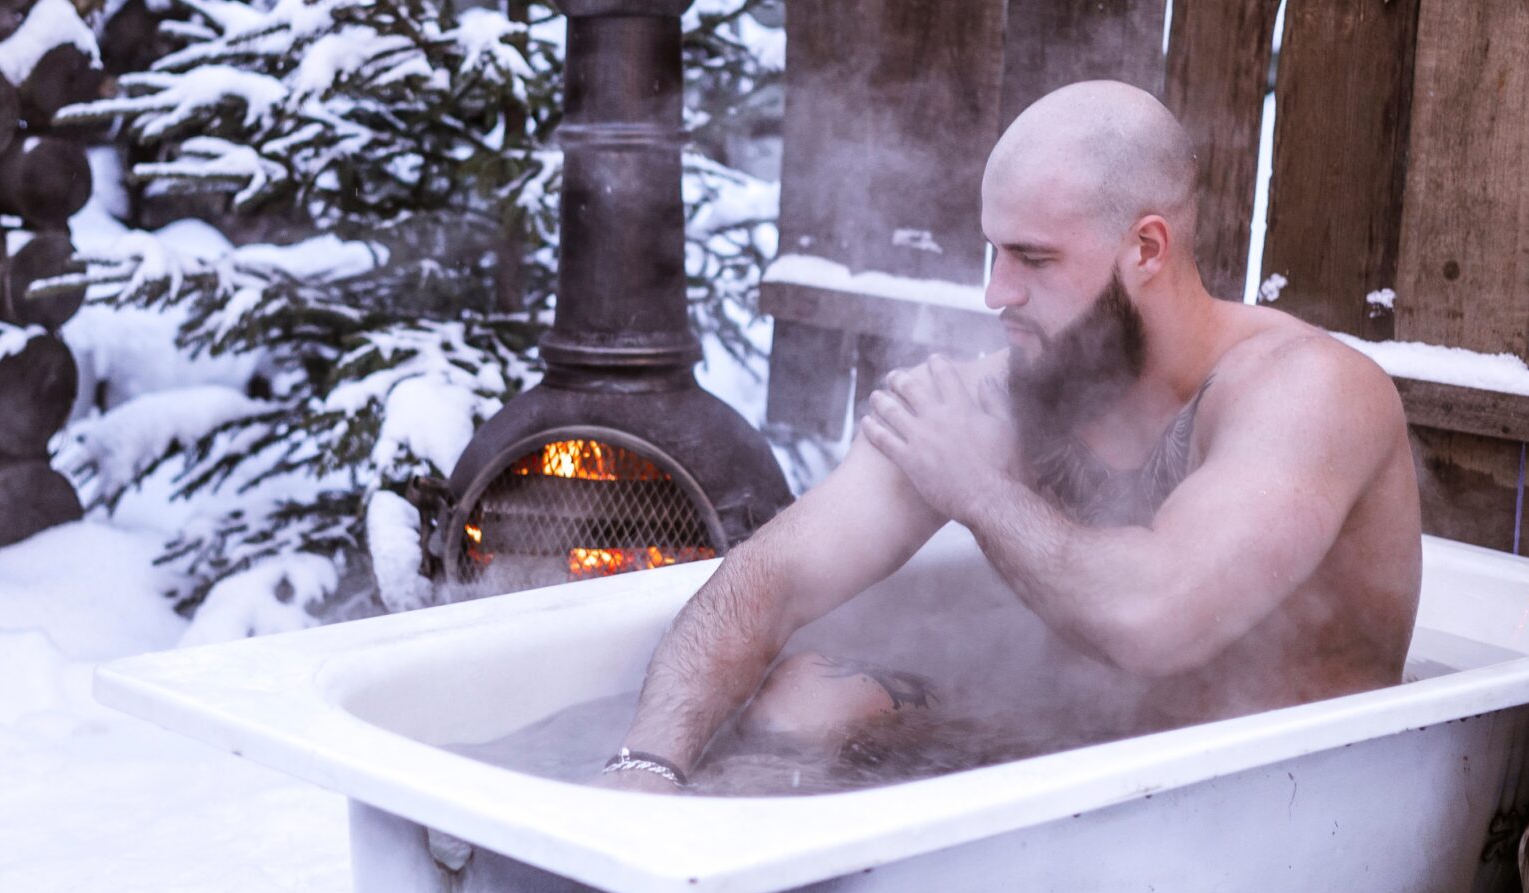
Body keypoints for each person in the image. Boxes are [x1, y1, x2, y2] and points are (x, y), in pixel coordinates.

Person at [596, 80, 1422, 793]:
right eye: (992, 251)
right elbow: (766, 582)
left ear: (1146, 248)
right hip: (1079, 762)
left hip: (1271, 800)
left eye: (1032, 257)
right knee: (800, 701)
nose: (995, 292)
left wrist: (982, 490)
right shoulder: (1015, 392)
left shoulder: (1305, 389)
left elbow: (1157, 617)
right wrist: (644, 771)